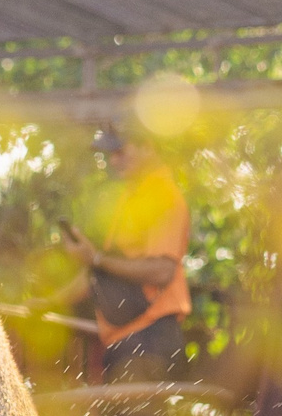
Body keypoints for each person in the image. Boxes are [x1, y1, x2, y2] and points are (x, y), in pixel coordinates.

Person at [62, 129, 191, 383]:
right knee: (122, 410)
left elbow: (163, 271)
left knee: (139, 411)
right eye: (111, 154)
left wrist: (97, 259)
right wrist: (49, 303)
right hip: (126, 341)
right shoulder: (128, 198)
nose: (114, 161)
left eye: (120, 151)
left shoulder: (164, 196)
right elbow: (100, 275)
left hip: (151, 339)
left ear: (148, 147)